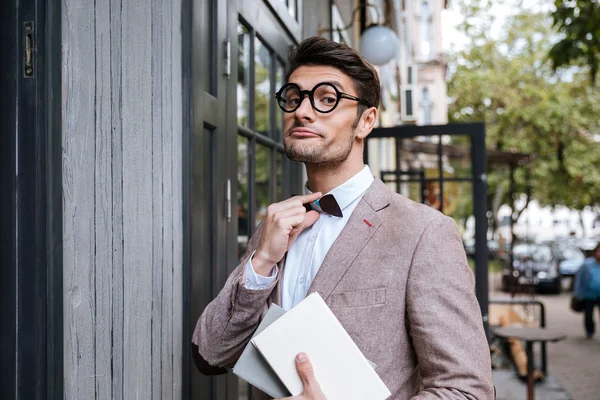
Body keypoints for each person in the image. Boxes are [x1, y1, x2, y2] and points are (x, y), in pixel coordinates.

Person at [192, 36, 494, 399]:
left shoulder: (423, 233)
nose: (302, 111)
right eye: (294, 97)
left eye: (327, 99)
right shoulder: (275, 226)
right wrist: (262, 262)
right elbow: (210, 355)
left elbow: (467, 391)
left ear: (366, 120)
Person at [573, 242, 600, 339]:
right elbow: (579, 279)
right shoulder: (587, 265)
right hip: (589, 294)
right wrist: (577, 293)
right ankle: (590, 331)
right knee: (588, 315)